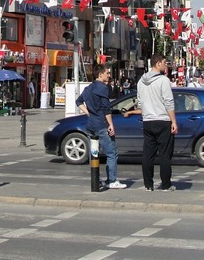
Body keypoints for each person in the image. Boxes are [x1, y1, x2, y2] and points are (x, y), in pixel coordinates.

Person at [125, 54, 178, 191]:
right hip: (163, 120)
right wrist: (173, 121)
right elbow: (168, 102)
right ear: (158, 63)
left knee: (148, 155)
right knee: (165, 155)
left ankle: (148, 184)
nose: (166, 65)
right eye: (164, 63)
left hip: (148, 121)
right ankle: (166, 184)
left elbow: (140, 103)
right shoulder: (163, 80)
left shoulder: (141, 82)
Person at [75, 64, 126, 190]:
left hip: (91, 125)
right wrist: (111, 124)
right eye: (107, 73)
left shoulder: (88, 88)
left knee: (94, 153)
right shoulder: (103, 88)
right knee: (112, 152)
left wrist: (88, 112)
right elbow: (106, 109)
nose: (109, 75)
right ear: (100, 74)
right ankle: (111, 180)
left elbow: (78, 101)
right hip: (102, 124)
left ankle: (96, 179)